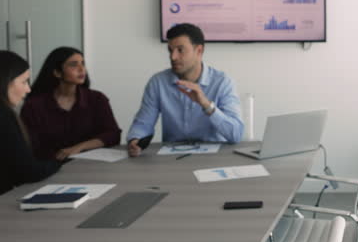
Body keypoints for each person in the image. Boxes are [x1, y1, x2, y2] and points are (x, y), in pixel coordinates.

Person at [127, 23, 243, 156]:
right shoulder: (158, 83)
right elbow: (143, 123)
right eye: (170, 50)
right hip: (173, 157)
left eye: (180, 50)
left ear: (199, 51)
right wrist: (135, 140)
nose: (173, 57)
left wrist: (207, 105)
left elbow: (236, 134)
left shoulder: (222, 82)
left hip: (213, 158)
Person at [0, 51, 60, 211]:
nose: (28, 89)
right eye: (24, 82)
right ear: (3, 82)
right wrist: (58, 163)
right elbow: (28, 172)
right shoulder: (1, 115)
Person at [21, 47, 121, 161]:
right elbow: (29, 146)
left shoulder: (97, 99)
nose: (81, 69)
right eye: (73, 64)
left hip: (90, 164)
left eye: (83, 63)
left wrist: (79, 147)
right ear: (57, 72)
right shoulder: (34, 105)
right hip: (49, 166)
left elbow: (113, 134)